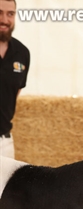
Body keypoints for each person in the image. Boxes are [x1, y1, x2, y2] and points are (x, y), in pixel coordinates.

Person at [0, 0, 29, 158]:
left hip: (4, 144)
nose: (4, 19)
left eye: (10, 14)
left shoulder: (22, 53)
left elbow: (13, 94)